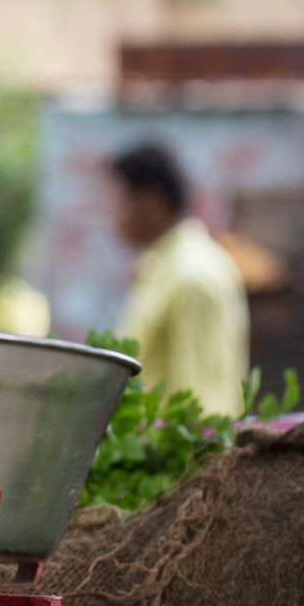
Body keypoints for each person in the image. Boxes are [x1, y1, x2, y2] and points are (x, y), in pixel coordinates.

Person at [108, 143, 250, 417]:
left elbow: (202, 407)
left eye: (118, 200)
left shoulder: (192, 275)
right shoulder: (162, 269)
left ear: (150, 200)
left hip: (176, 457)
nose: (112, 215)